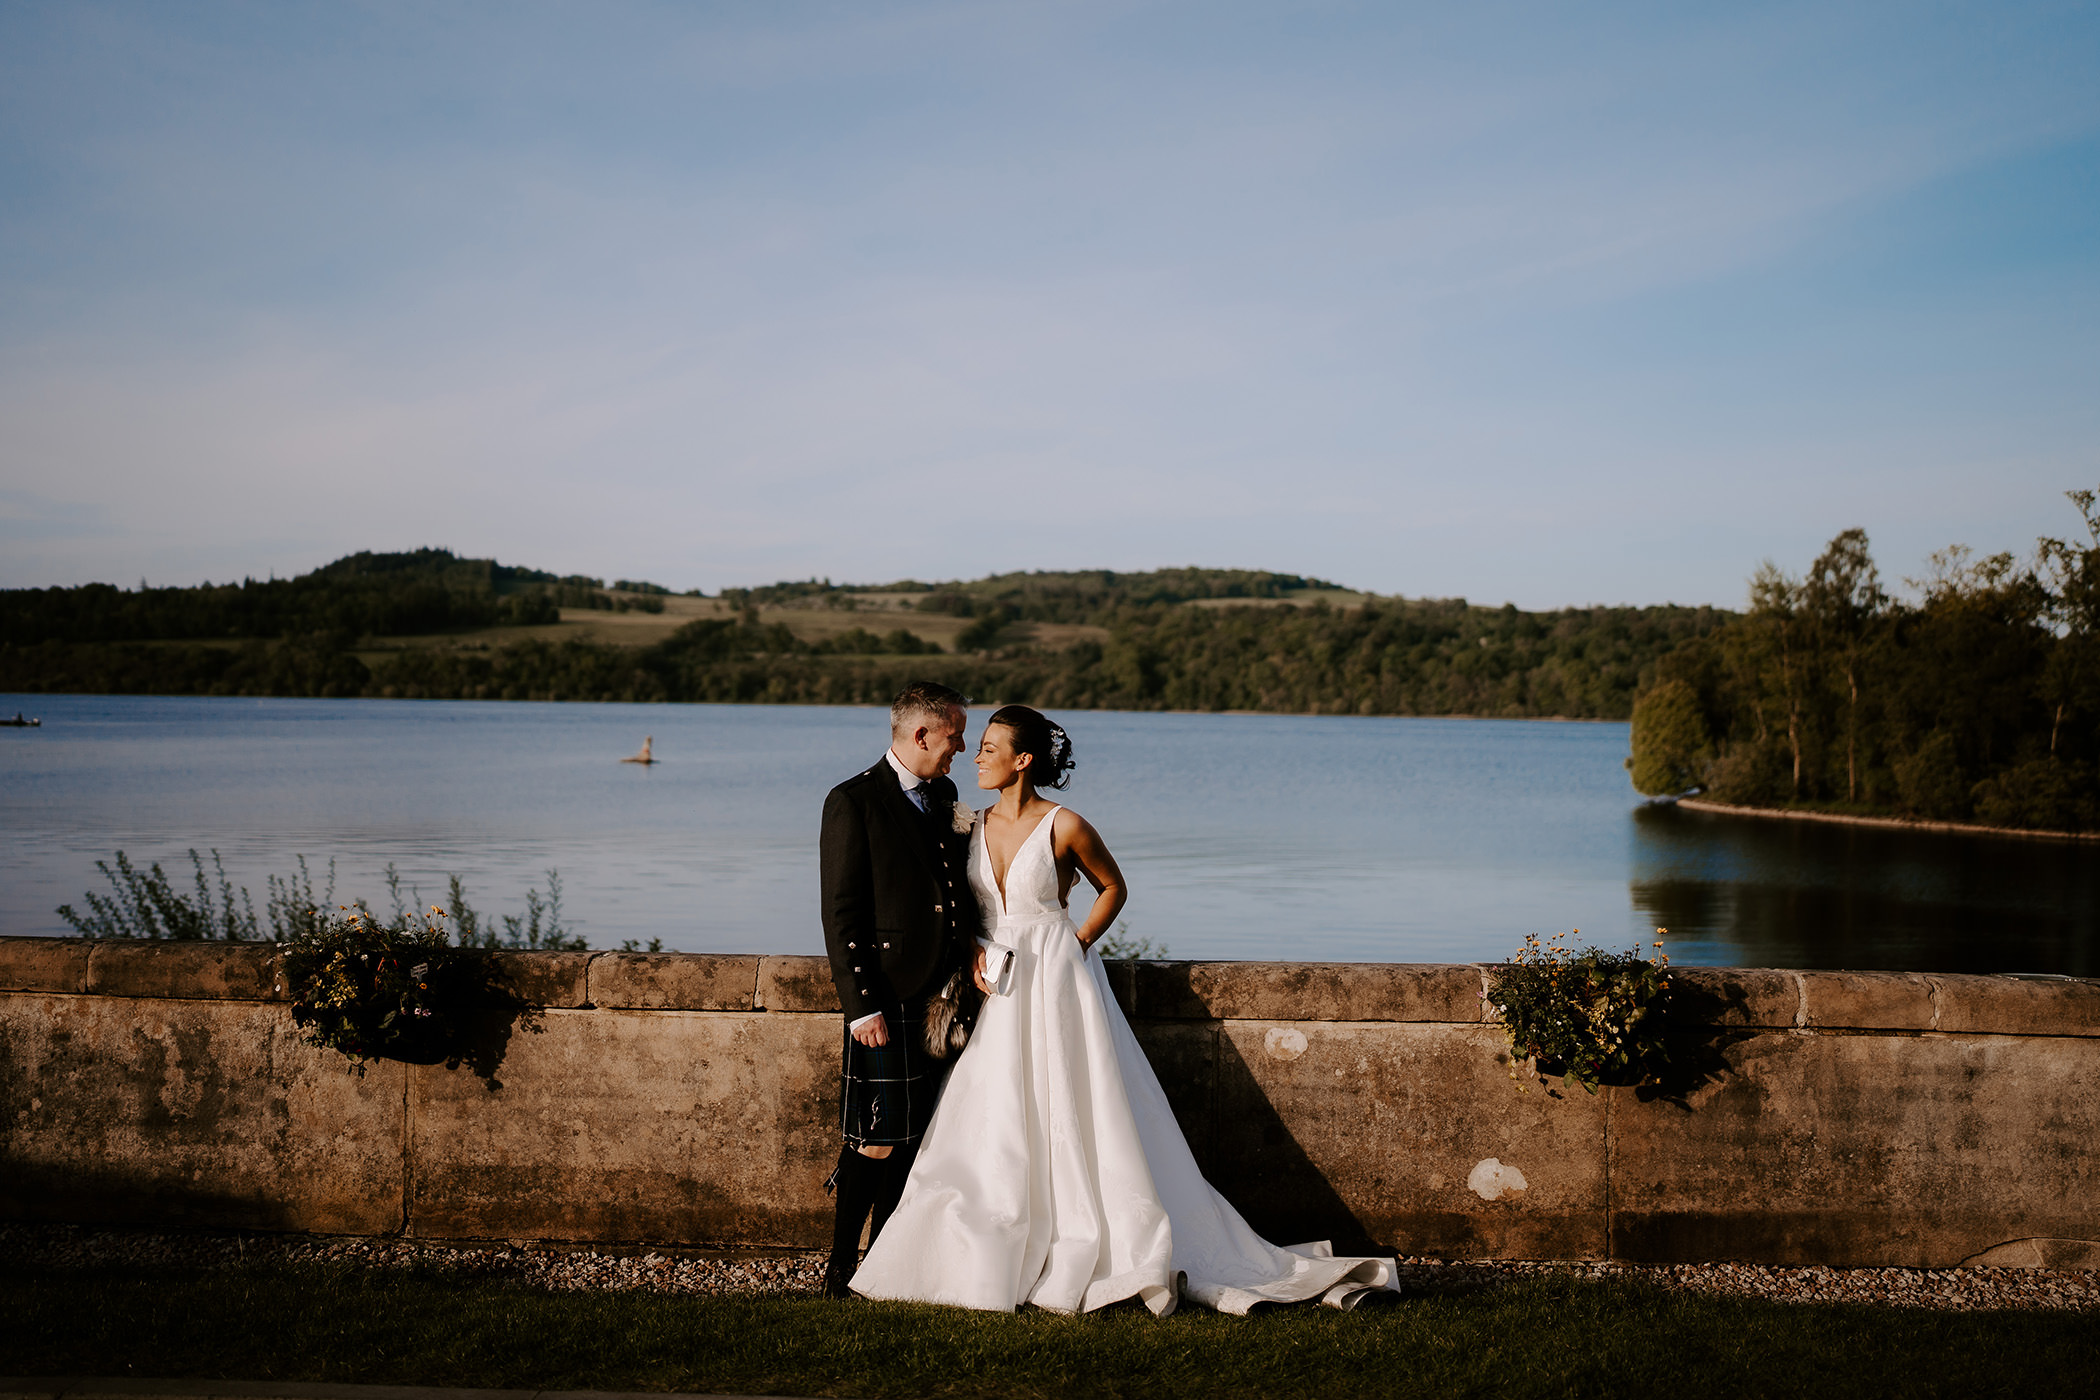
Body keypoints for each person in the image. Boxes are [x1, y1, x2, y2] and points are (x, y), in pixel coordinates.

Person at [851, 704, 1399, 1315]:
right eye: (976, 746)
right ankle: (980, 1244)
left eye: (989, 746)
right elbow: (959, 904)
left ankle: (1096, 1237)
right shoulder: (967, 822)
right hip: (997, 985)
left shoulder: (1066, 825)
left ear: (1022, 760)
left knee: (1077, 1101)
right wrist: (975, 948)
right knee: (995, 1104)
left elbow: (1114, 887)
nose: (976, 756)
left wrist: (1077, 942)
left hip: (1057, 975)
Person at [817, 680, 980, 1298]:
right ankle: (838, 1266)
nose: (961, 747)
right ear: (921, 734)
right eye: (955, 735)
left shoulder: (943, 795)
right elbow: (842, 912)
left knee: (916, 1139)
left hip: (942, 999)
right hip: (883, 998)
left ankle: (885, 1265)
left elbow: (949, 892)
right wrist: (861, 1007)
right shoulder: (853, 801)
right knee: (877, 1138)